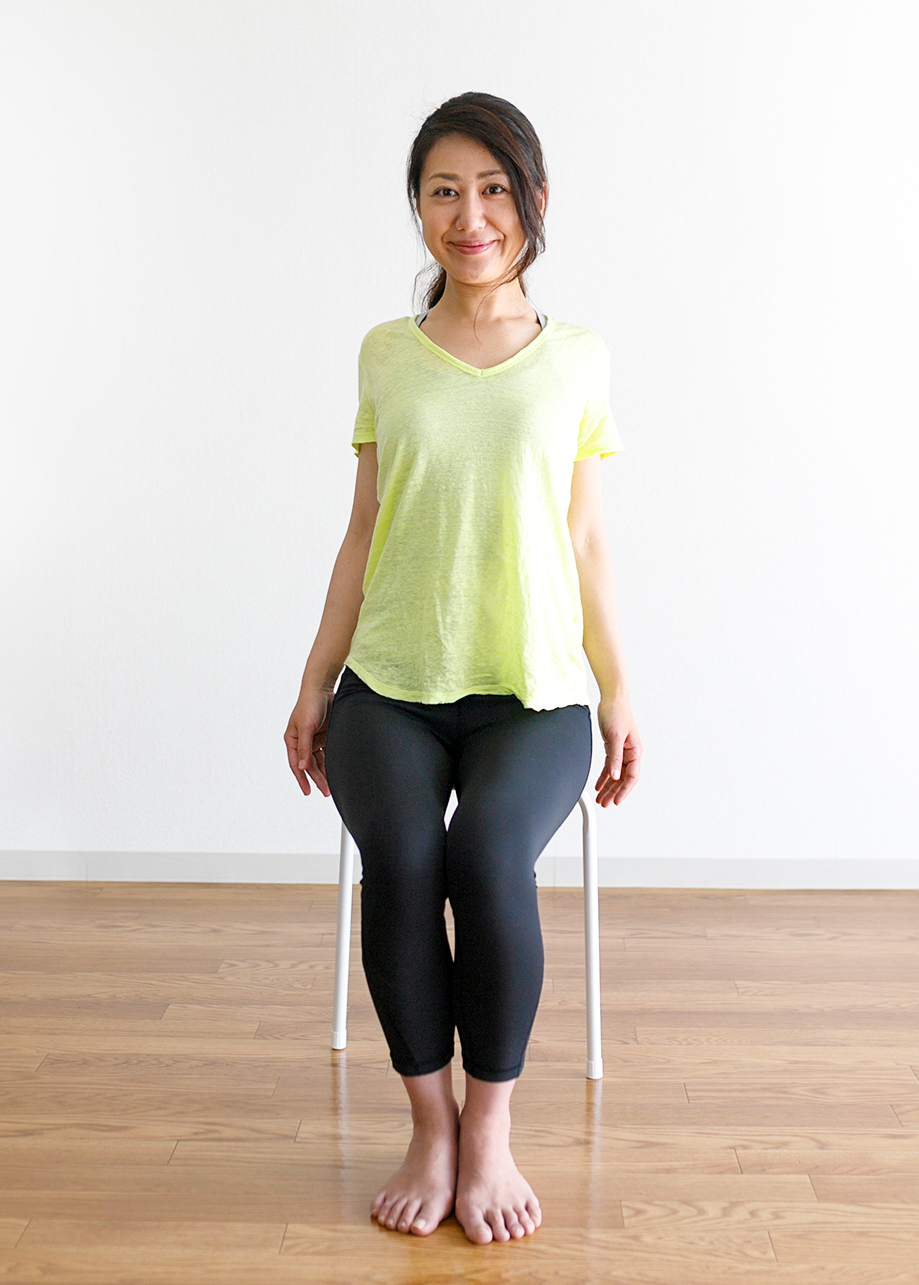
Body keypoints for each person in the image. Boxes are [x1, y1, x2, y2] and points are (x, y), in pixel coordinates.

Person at [284, 91, 641, 1245]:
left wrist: (620, 685)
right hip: (391, 679)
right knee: (400, 858)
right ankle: (427, 1124)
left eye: (491, 189)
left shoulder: (577, 359)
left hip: (531, 691)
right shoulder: (385, 353)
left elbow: (584, 537)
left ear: (531, 202)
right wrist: (313, 679)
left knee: (485, 859)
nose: (467, 214)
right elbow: (362, 526)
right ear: (418, 210)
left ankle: (489, 1132)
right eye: (442, 190)